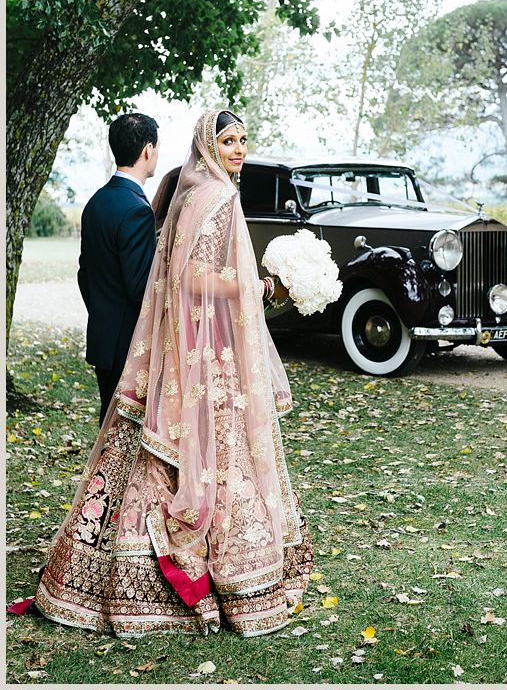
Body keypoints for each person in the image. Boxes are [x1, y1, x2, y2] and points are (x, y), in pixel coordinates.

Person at [8, 109, 310, 637]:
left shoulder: (185, 192)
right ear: (207, 145)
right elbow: (190, 276)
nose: (238, 148)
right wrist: (253, 286)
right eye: (228, 140)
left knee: (148, 447)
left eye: (243, 139)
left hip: (180, 346)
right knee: (195, 452)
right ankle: (209, 571)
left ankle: (111, 558)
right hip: (199, 351)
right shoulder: (215, 197)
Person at [78, 113, 160, 422]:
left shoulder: (96, 202)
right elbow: (140, 287)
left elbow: (84, 274)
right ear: (148, 150)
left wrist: (102, 312)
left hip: (103, 337)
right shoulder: (137, 210)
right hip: (128, 343)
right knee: (123, 431)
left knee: (108, 424)